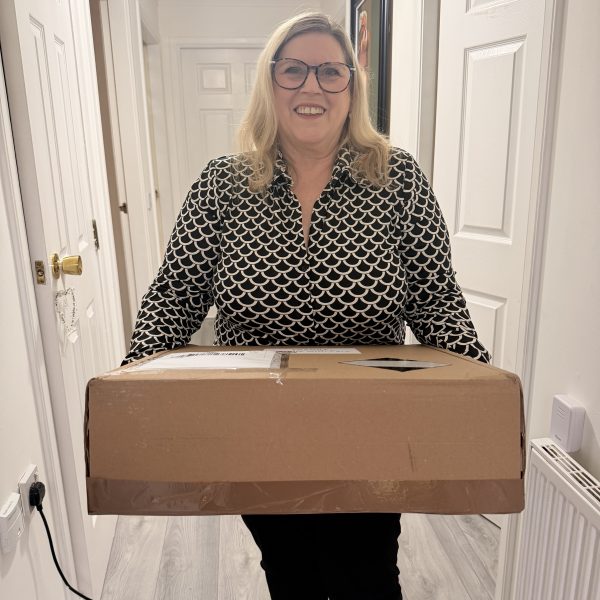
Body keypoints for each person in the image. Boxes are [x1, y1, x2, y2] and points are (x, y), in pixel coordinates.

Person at [123, 12, 490, 600]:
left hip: (371, 433)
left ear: (352, 87)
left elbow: (436, 299)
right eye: (293, 70)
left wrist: (477, 390)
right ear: (269, 84)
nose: (311, 86)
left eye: (329, 72)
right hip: (257, 433)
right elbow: (174, 297)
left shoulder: (397, 180)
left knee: (368, 577)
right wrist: (139, 389)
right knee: (290, 573)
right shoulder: (222, 185)